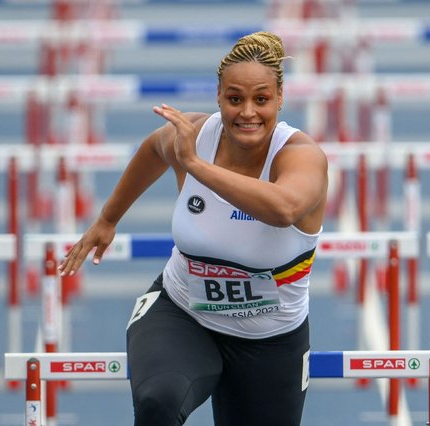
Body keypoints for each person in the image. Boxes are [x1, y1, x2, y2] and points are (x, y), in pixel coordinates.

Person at [58, 31, 328, 426]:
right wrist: (108, 219)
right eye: (234, 99)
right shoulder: (196, 136)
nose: (247, 112)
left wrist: (198, 167)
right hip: (184, 315)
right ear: (219, 96)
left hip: (270, 340)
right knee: (159, 402)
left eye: (261, 99)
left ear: (280, 98)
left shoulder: (301, 157)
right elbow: (154, 149)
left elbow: (283, 208)